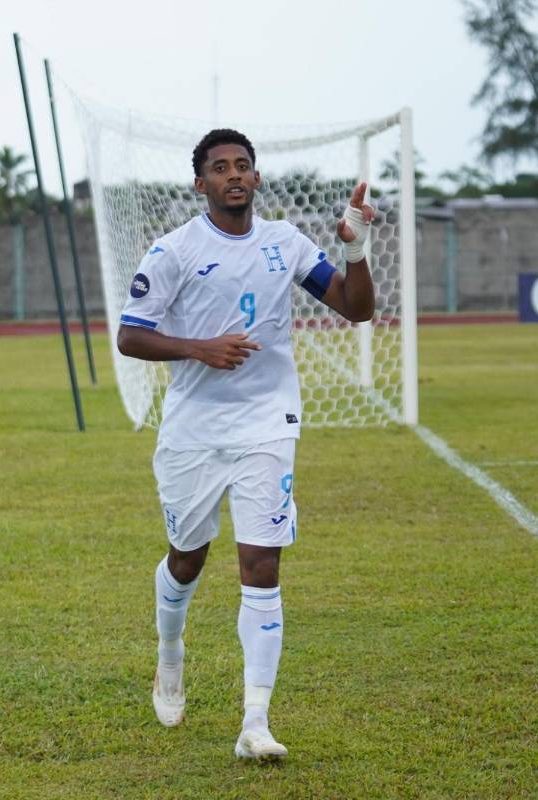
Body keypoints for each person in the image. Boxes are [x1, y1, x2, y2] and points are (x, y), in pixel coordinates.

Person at [116, 128, 377, 761]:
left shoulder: (284, 242)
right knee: (187, 557)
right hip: (194, 432)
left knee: (261, 565)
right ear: (200, 183)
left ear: (257, 179)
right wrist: (200, 348)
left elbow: (356, 308)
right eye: (220, 167)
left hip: (268, 423)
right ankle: (170, 653)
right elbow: (130, 336)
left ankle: (254, 723)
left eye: (243, 166)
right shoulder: (174, 250)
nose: (233, 174)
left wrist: (358, 249)